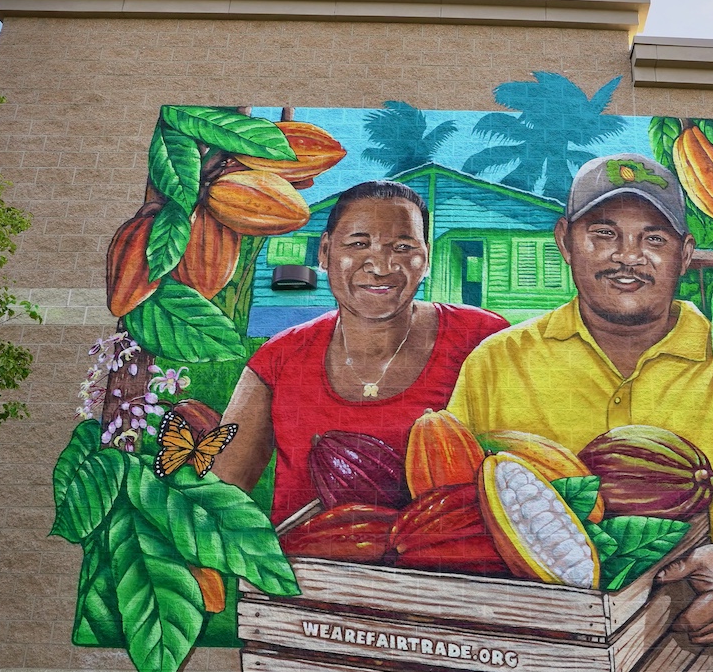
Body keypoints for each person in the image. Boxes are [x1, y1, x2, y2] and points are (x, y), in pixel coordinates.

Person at [447, 154, 713, 647]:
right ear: (564, 241)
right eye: (604, 234)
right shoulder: (496, 363)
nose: (628, 256)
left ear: (685, 254)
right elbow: (447, 514)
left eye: (653, 239)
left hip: (702, 668)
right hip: (543, 656)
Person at [212, 180, 508, 524]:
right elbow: (221, 497)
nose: (381, 266)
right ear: (325, 252)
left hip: (444, 570)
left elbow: (525, 467)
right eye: (359, 243)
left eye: (402, 247)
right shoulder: (279, 358)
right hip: (307, 567)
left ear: (425, 259)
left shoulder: (481, 338)